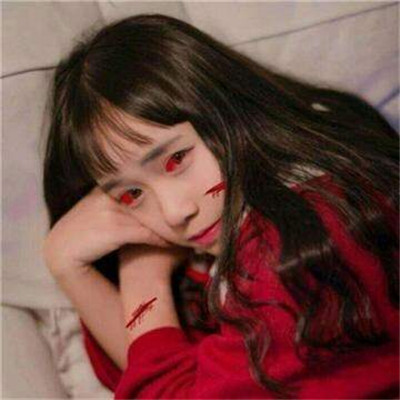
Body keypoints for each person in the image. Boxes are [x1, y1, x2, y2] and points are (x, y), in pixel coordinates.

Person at [42, 13, 399, 399]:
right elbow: (152, 367)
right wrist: (71, 270)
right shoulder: (227, 238)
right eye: (132, 195)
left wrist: (143, 278)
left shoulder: (289, 246)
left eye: (177, 159)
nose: (175, 212)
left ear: (224, 108)